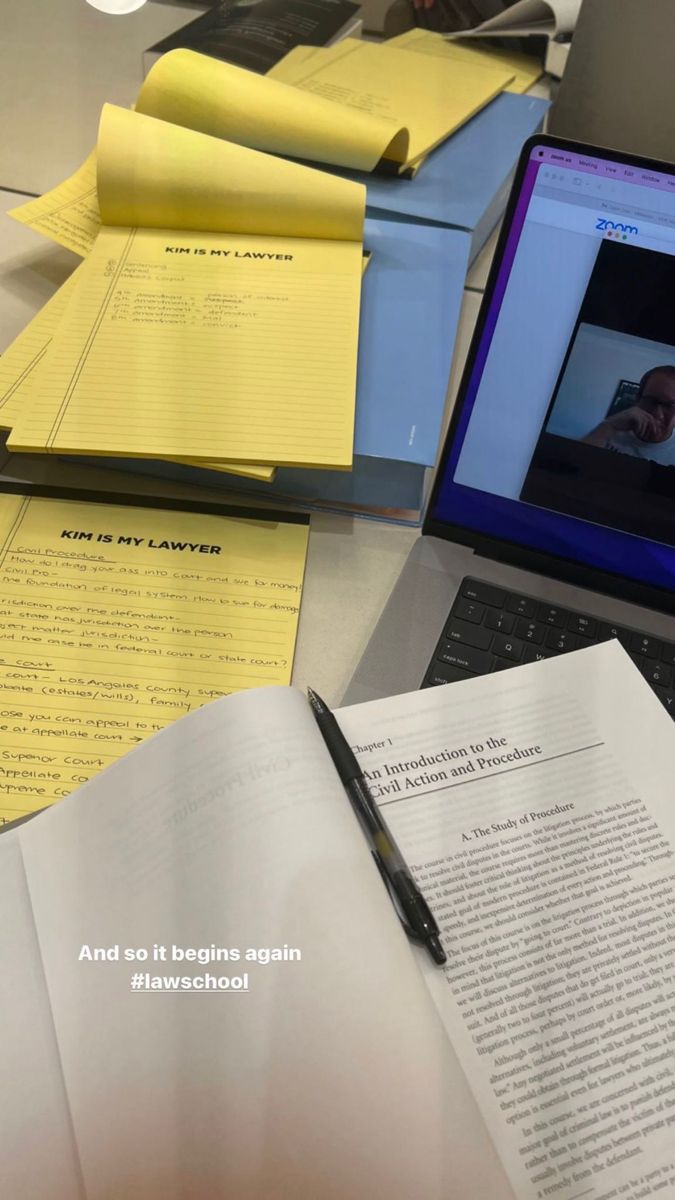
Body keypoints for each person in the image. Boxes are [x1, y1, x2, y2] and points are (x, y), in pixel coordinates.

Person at [582, 365, 675, 464]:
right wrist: (608, 426)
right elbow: (573, 464)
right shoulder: (609, 431)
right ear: (637, 399)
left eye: (671, 405)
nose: (658, 415)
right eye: (650, 401)